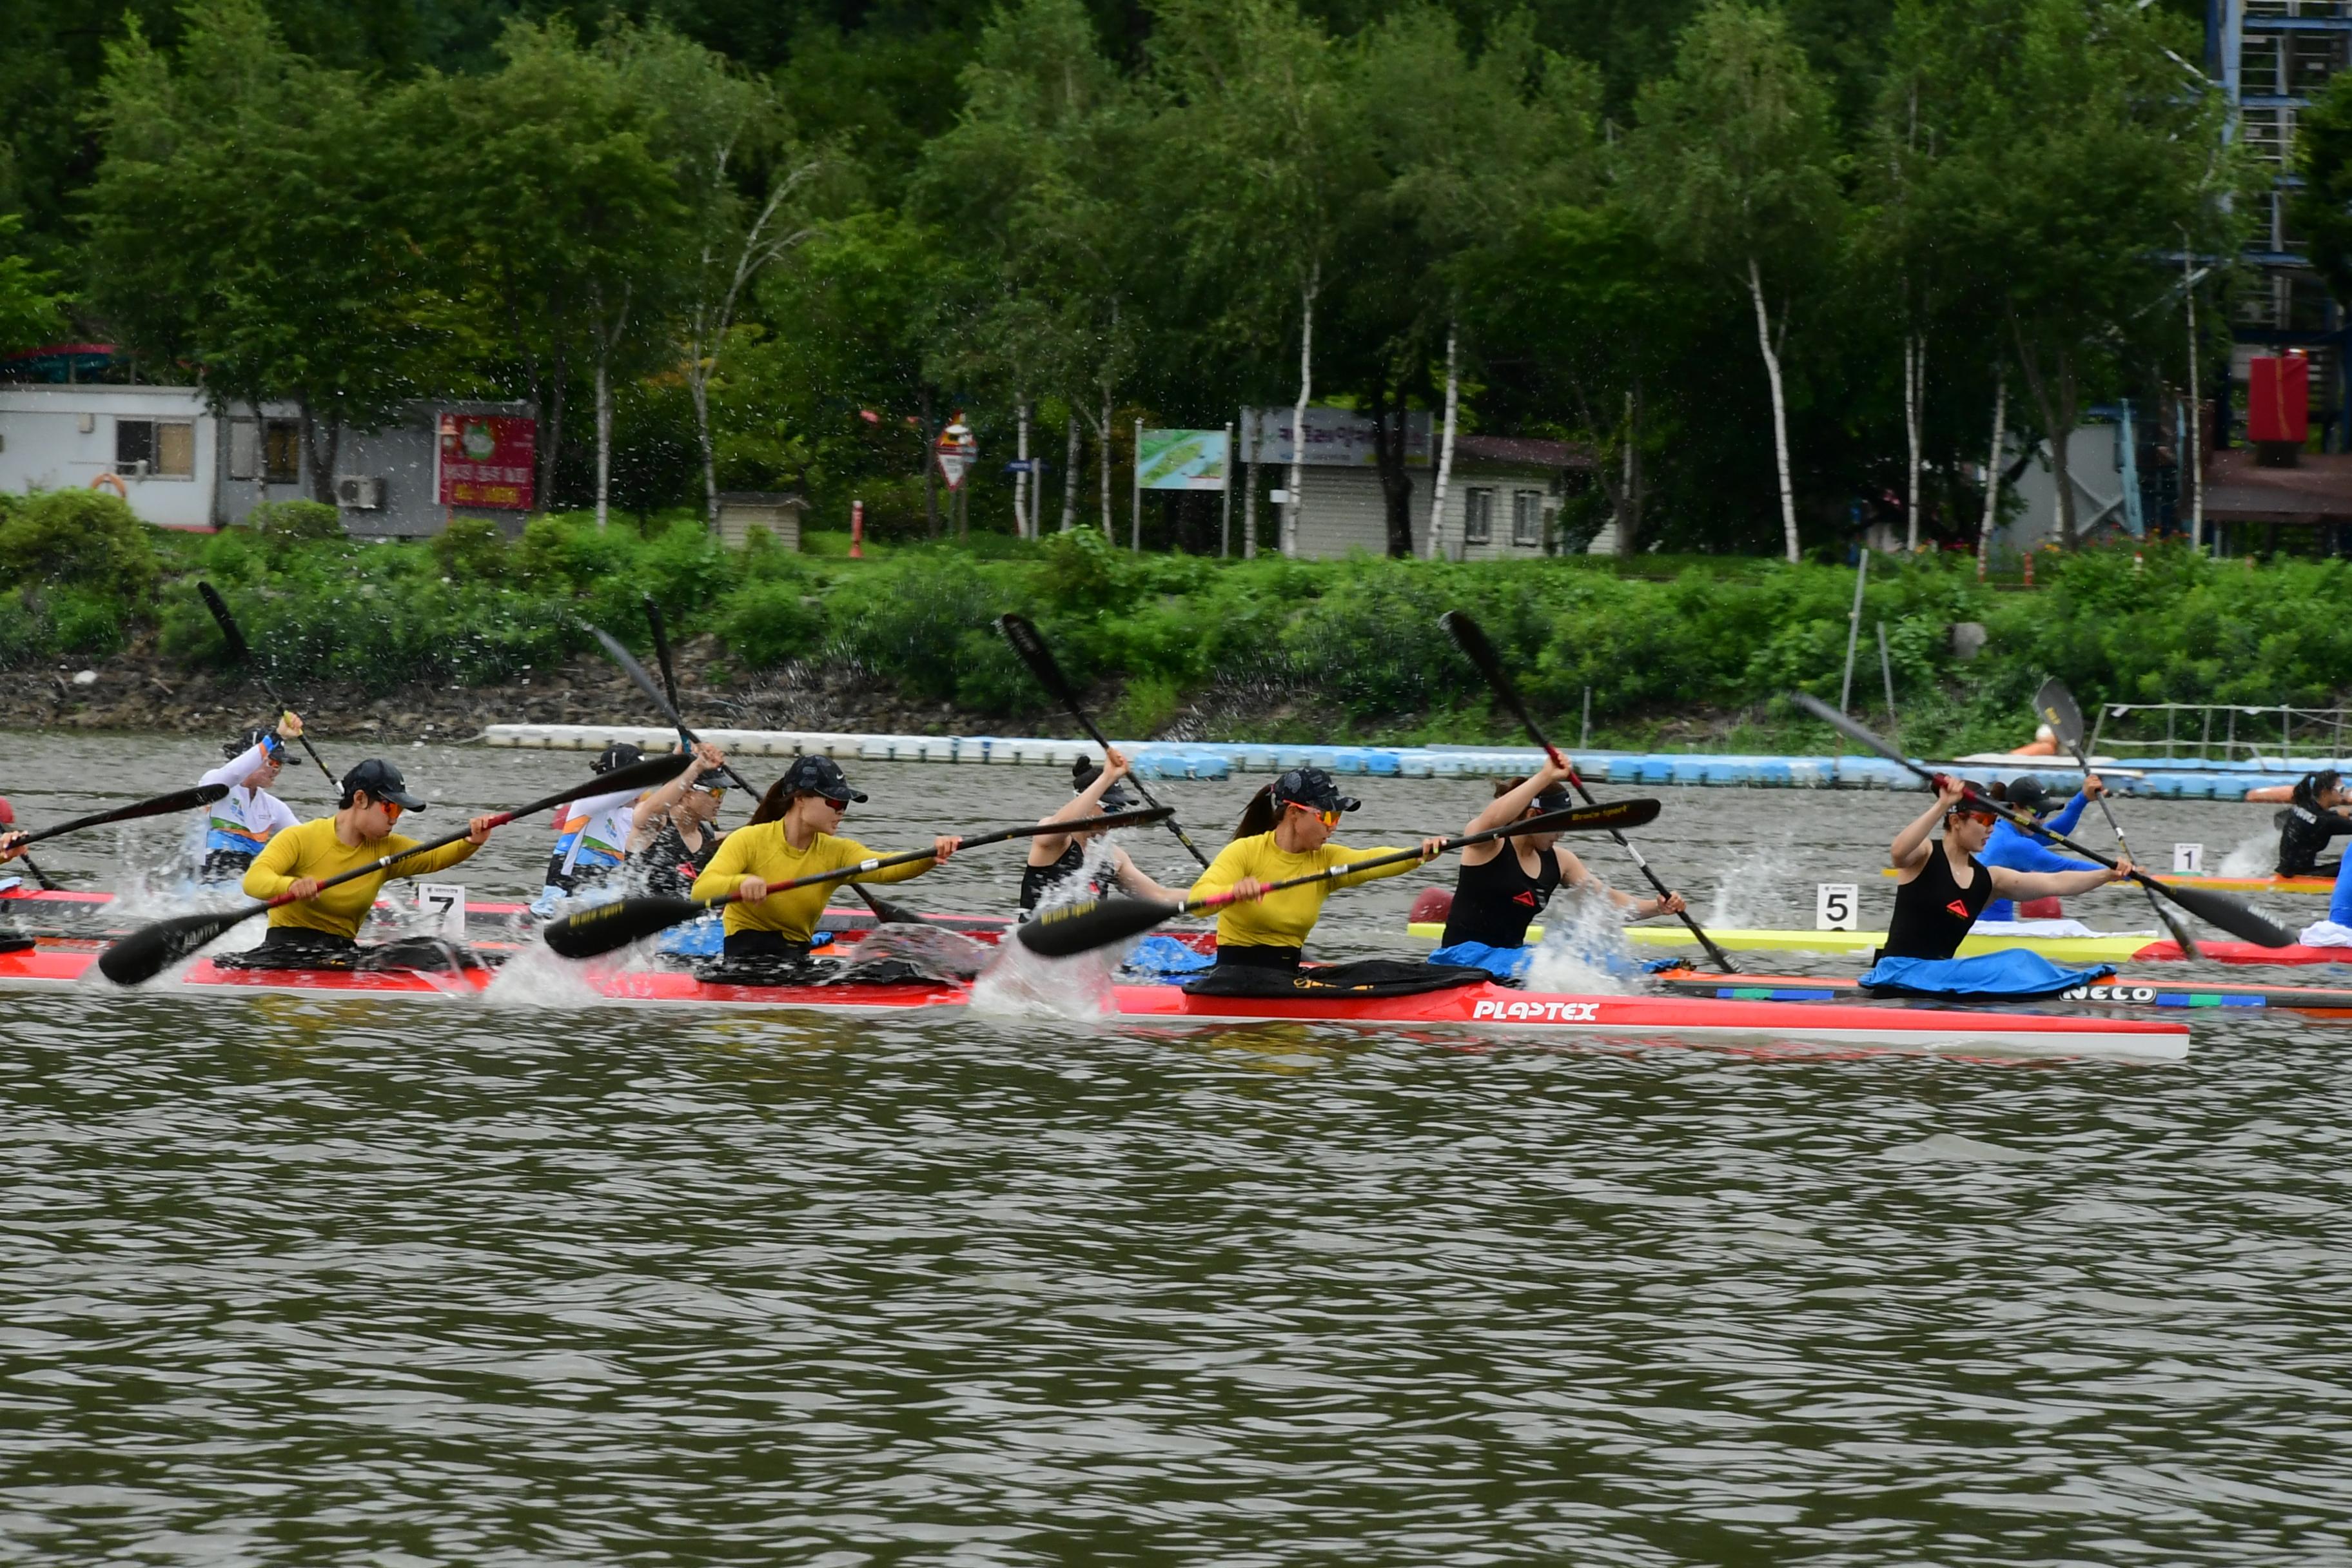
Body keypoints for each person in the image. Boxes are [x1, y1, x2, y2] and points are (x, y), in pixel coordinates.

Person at [1426, 761, 1687, 981]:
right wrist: (1545, 776)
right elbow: (1492, 820)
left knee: (1595, 957)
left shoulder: (1562, 861)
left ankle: (1648, 976)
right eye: (1557, 826)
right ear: (1532, 815)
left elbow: (1606, 903)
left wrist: (1656, 907)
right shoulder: (1487, 845)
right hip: (1462, 959)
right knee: (1562, 960)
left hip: (1511, 959)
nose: (1562, 835)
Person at [691, 755, 960, 962]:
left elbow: (888, 867)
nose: (841, 811)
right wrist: (741, 883)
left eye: (845, 804)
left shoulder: (837, 852)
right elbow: (700, 891)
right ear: (802, 799)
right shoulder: (748, 840)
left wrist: (931, 854)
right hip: (743, 964)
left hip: (795, 962)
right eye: (834, 802)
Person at [236, 758, 499, 964]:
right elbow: (254, 881)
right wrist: (291, 886)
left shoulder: (387, 848)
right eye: (390, 808)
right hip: (286, 952)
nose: (395, 818)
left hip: (341, 953)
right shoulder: (300, 838)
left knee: (437, 950)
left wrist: (473, 840)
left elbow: (435, 856)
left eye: (400, 810)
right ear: (360, 799)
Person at [1186, 767, 1446, 974]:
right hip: (1235, 976)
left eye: (1338, 817)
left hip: (1285, 975)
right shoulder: (1245, 852)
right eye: (1328, 817)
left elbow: (1372, 860)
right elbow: (1198, 902)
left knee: (1382, 971)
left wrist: (1419, 855)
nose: (1333, 827)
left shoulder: (1325, 860)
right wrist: (1232, 892)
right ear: (1294, 813)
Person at [1873, 775, 2134, 979]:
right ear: (1955, 822)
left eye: (1994, 820)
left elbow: (2057, 882)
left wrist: (2107, 874)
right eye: (1985, 819)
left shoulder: (1990, 879)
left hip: (1934, 976)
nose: (1990, 828)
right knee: (2013, 963)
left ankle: (2078, 982)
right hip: (1898, 973)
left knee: (2021, 958)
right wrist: (1942, 804)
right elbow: (1898, 853)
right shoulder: (1927, 854)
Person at [1019, 749, 1179, 916]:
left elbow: (1160, 896)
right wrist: (1107, 777)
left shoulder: (1112, 857)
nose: (1114, 817)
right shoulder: (1054, 841)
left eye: (1118, 810)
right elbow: (1061, 824)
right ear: (1086, 803)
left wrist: (1205, 896)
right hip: (1038, 936)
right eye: (1109, 808)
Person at [1975, 773, 2104, 921]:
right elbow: (2067, 867)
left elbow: (2055, 831)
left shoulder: (2007, 829)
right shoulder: (2014, 845)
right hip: (1985, 928)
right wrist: (2119, 873)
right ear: (2015, 807)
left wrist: (2083, 798)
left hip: (1993, 925)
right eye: (2037, 813)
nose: (2042, 821)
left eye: (2045, 813)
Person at [194, 712, 307, 882]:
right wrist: (275, 736)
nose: (276, 770)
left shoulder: (275, 808)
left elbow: (306, 840)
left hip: (240, 891)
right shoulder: (214, 783)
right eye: (272, 763)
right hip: (199, 886)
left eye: (280, 764)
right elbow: (235, 772)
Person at [536, 742, 647, 908]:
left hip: (601, 896)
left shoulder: (630, 816)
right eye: (637, 781)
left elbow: (663, 803)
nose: (640, 792)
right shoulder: (587, 802)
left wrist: (690, 767)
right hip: (562, 899)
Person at [629, 741, 732, 899]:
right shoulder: (654, 824)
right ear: (688, 792)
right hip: (638, 912)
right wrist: (697, 766)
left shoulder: (709, 836)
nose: (720, 800)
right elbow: (656, 805)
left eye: (723, 793)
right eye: (715, 792)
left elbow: (746, 836)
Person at [2276, 770, 2352, 878]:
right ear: (2325, 792)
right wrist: (2334, 815)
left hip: (2286, 870)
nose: (2343, 794)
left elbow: (2279, 819)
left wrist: (2334, 813)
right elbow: (2325, 821)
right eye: (2341, 790)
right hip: (2301, 875)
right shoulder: (2327, 821)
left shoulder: (2304, 806)